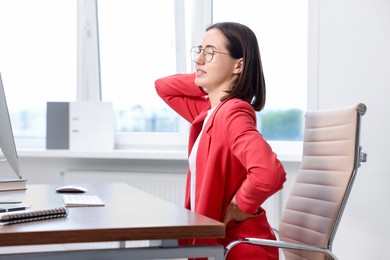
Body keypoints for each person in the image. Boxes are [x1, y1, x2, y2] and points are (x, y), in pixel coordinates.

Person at [155, 22, 286, 260]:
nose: (198, 60)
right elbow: (163, 87)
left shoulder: (232, 112)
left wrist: (239, 206)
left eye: (210, 53)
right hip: (224, 247)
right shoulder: (211, 110)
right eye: (199, 51)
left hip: (238, 250)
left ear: (239, 64)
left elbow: (269, 174)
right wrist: (207, 78)